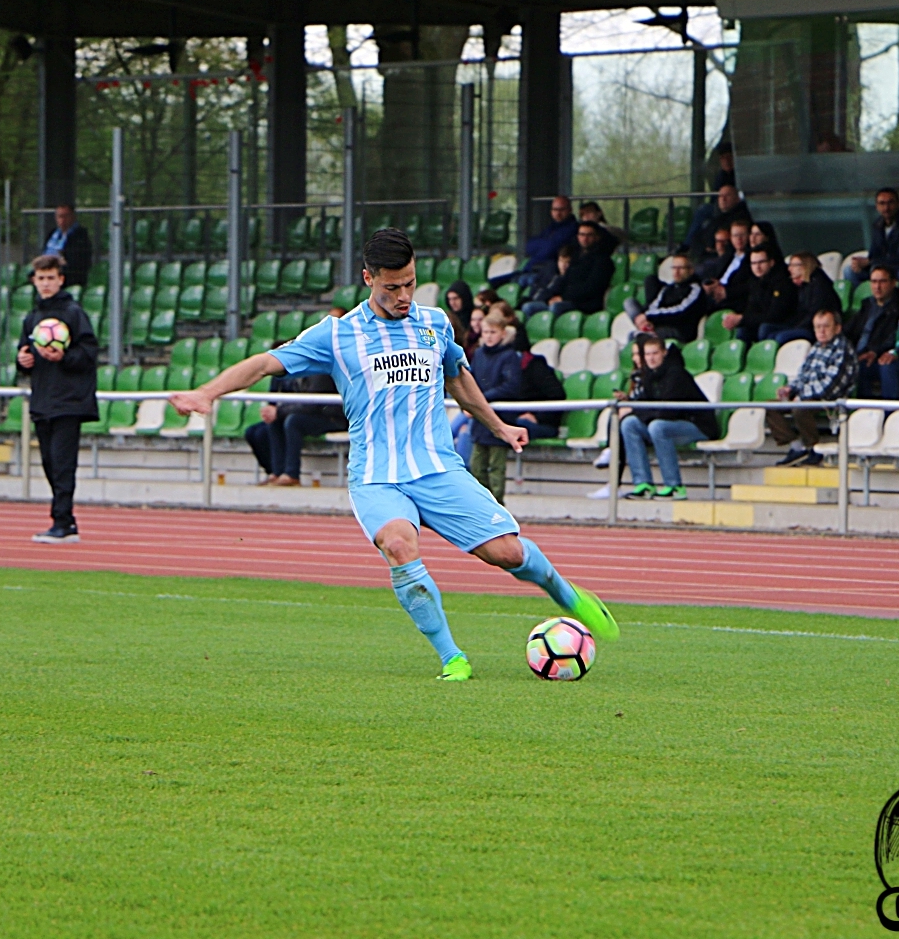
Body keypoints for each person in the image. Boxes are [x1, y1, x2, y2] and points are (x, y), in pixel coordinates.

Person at [167, 228, 618, 682]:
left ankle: (564, 592)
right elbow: (265, 362)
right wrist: (207, 392)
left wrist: (498, 425)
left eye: (410, 283)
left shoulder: (435, 323)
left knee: (506, 552)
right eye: (392, 287)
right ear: (368, 278)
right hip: (377, 475)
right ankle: (452, 657)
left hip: (438, 468)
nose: (404, 295)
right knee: (400, 545)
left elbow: (458, 379)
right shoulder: (338, 334)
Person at [16, 254, 99, 543]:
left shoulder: (74, 313)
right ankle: (66, 520)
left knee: (63, 463)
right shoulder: (32, 318)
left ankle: (62, 522)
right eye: (41, 278)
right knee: (50, 462)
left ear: (61, 280)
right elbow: (24, 353)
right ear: (34, 281)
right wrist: (22, 360)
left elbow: (89, 353)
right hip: (43, 399)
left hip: (69, 400)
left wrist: (65, 357)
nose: (46, 283)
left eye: (51, 278)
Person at [619, 335, 719, 500]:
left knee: (657, 426)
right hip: (669, 423)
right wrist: (637, 410)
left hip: (697, 426)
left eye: (655, 353)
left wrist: (641, 411)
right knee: (629, 423)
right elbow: (643, 404)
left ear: (664, 353)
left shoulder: (676, 374)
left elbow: (667, 412)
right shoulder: (650, 375)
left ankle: (675, 486)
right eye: (647, 354)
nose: (651, 358)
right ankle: (644, 484)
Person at [768, 310, 857, 466]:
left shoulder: (842, 349)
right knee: (770, 405)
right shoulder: (816, 347)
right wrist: (790, 389)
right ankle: (796, 448)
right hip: (808, 395)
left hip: (831, 398)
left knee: (800, 408)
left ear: (837, 328)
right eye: (817, 327)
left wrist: (801, 397)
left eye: (826, 326)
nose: (821, 331)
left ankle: (813, 448)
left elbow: (829, 387)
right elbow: (803, 375)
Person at [244, 371, 348, 486]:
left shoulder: (319, 371)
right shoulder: (292, 370)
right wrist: (275, 412)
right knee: (274, 422)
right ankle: (277, 472)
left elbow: (313, 404)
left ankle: (292, 474)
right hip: (310, 413)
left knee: (293, 421)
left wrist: (279, 411)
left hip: (332, 417)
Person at [467, 313, 524, 504]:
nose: (489, 336)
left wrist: (482, 399)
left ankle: (497, 504)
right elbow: (470, 380)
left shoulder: (509, 356)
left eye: (493, 332)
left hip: (501, 419)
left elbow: (512, 385)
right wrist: (469, 402)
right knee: (477, 465)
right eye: (485, 332)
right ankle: (481, 504)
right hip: (480, 420)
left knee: (496, 466)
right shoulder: (479, 354)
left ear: (502, 333)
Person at [527, 221, 612, 317]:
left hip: (585, 304)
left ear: (597, 237)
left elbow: (591, 288)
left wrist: (563, 297)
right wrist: (551, 297)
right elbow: (565, 281)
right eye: (582, 234)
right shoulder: (576, 256)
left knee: (556, 307)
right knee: (529, 307)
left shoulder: (603, 260)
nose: (585, 238)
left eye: (589, 235)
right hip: (566, 299)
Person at [845, 267, 899, 396]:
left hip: (878, 355)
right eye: (873, 281)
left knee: (860, 368)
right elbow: (849, 330)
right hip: (858, 353)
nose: (877, 286)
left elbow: (895, 336)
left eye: (882, 281)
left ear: (893, 283)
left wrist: (875, 351)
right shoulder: (867, 305)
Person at [844, 188, 899, 284]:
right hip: (879, 267)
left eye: (890, 203)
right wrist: (861, 264)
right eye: (882, 203)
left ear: (898, 204)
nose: (886, 208)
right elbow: (873, 254)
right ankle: (869, 297)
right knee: (849, 271)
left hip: (898, 268)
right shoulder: (877, 225)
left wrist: (870, 262)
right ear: (877, 206)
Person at [761, 252, 838, 344]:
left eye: (793, 265)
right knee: (766, 329)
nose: (789, 269)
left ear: (805, 266)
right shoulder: (803, 285)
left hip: (814, 329)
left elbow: (814, 314)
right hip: (800, 324)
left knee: (780, 337)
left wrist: (796, 327)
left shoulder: (820, 285)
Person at [630, 253, 707, 341]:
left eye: (681, 268)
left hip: (680, 330)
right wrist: (648, 319)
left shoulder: (695, 288)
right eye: (674, 268)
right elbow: (654, 305)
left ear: (691, 270)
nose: (676, 272)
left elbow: (680, 311)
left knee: (644, 337)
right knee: (633, 334)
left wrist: (648, 316)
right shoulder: (668, 288)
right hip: (660, 325)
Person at [738, 244, 796, 343]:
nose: (757, 267)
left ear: (771, 262)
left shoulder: (782, 282)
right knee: (743, 330)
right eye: (754, 263)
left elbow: (775, 315)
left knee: (764, 328)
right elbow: (751, 310)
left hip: (785, 323)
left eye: (761, 262)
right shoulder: (754, 283)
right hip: (764, 322)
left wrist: (743, 318)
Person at [683, 182, 751, 254]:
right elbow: (697, 237)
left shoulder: (740, 218)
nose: (723, 199)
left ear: (737, 199)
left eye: (727, 195)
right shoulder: (717, 217)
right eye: (720, 196)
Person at [42, 204, 92, 289]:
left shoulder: (80, 236)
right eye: (59, 216)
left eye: (66, 216)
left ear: (73, 217)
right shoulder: (52, 234)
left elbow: (76, 263)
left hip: (68, 276)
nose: (62, 220)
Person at [523, 196, 577, 270]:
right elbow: (528, 246)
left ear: (570, 210)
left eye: (562, 209)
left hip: (548, 271)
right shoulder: (551, 227)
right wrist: (545, 245)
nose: (558, 213)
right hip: (534, 268)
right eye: (555, 209)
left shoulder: (572, 228)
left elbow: (550, 249)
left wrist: (542, 246)